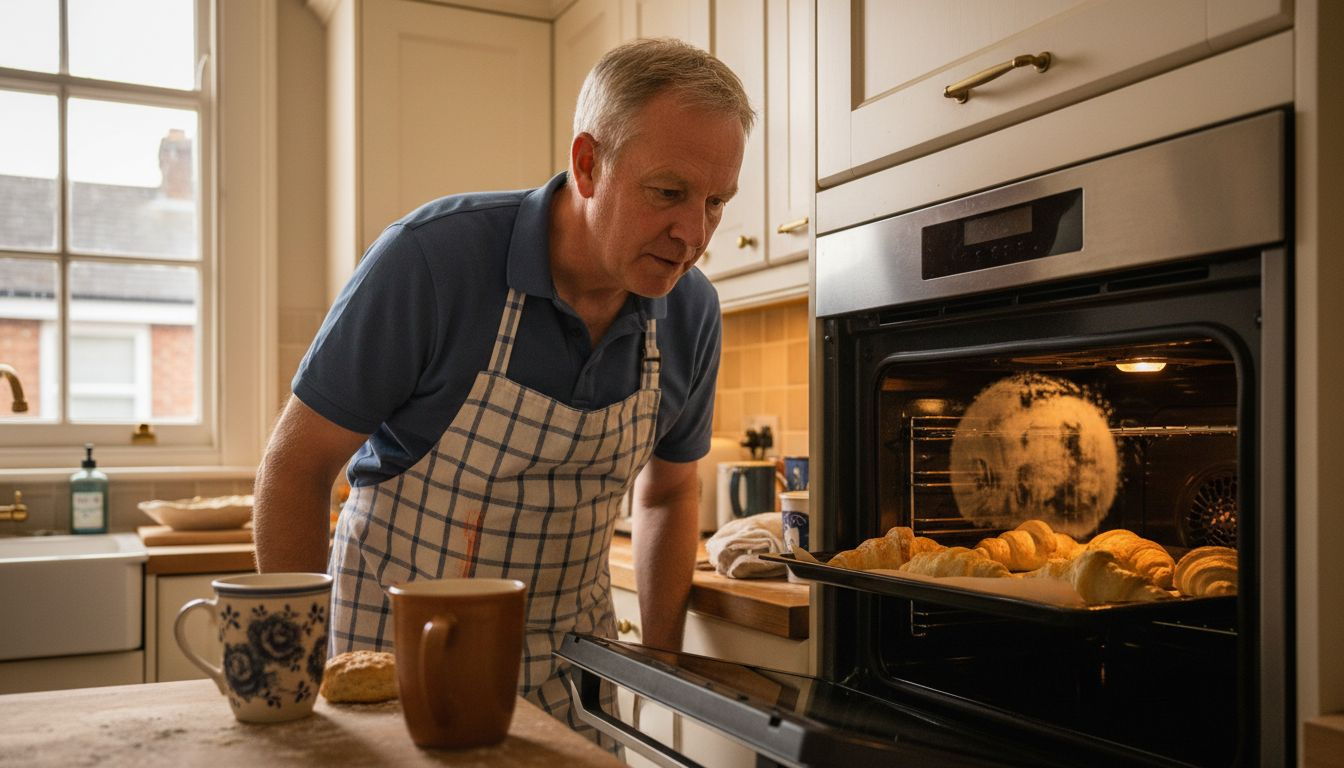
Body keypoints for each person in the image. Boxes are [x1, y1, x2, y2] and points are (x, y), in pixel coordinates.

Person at [252, 37, 753, 738]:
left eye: (716, 202)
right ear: (588, 164)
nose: (693, 233)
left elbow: (669, 492)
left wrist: (658, 661)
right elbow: (296, 467)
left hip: (573, 673)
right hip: (394, 657)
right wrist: (298, 678)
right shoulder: (433, 261)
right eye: (668, 193)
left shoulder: (690, 312)